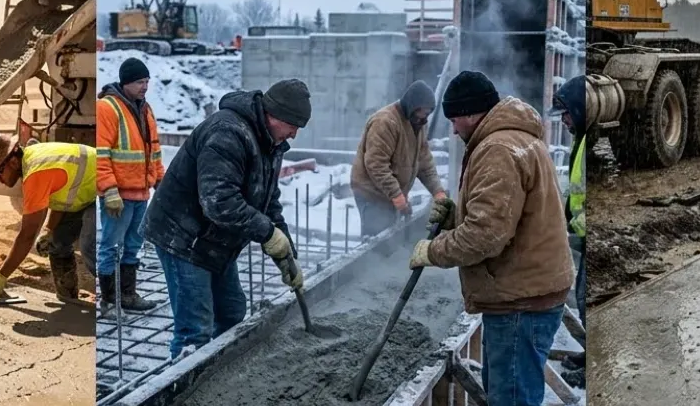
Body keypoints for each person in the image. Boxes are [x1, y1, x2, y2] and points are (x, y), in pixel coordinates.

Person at [408, 70, 574, 406]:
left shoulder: (498, 150)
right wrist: (453, 215)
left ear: (468, 112)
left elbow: (487, 235)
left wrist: (433, 250)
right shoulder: (513, 140)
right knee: (510, 399)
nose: (453, 129)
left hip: (522, 296)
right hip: (529, 287)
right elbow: (496, 214)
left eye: (455, 119)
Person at [142, 79, 311, 359]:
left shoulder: (270, 143)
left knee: (232, 312)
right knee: (195, 330)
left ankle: (217, 374)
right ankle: (183, 390)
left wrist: (287, 257)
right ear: (274, 115)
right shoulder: (228, 133)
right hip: (184, 237)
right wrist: (268, 234)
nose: (293, 134)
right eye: (293, 125)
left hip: (215, 239)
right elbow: (218, 201)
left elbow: (267, 200)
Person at [0, 133, 96, 301]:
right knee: (58, 241)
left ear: (13, 162)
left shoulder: (35, 173)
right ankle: (69, 299)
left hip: (108, 191)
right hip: (86, 192)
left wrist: (1, 276)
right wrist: (49, 230)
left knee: (91, 246)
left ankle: (119, 297)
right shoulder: (32, 161)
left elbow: (27, 234)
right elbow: (61, 194)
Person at [96, 57, 165, 314]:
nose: (145, 86)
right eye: (139, 82)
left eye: (147, 81)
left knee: (134, 246)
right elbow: (101, 153)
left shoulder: (145, 109)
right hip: (118, 196)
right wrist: (109, 189)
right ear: (126, 83)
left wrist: (161, 180)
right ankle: (109, 301)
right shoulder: (107, 108)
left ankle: (127, 295)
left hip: (140, 193)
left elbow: (154, 150)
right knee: (111, 247)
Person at [351, 80, 446, 237]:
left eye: (427, 115)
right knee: (378, 240)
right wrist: (396, 195)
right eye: (421, 113)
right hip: (372, 193)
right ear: (411, 107)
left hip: (391, 193)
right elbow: (376, 164)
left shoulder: (419, 124)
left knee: (392, 237)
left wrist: (438, 192)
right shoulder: (385, 122)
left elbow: (425, 162)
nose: (423, 119)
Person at [551, 75, 586, 385]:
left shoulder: (588, 141)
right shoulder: (580, 139)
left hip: (587, 236)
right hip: (582, 235)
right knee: (583, 293)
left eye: (565, 113)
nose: (562, 120)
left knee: (587, 296)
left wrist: (577, 231)